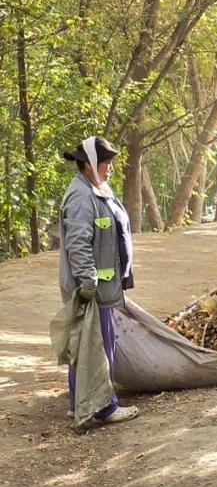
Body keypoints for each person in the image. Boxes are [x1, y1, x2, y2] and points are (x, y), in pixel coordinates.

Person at [58, 136, 140, 425]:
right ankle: (105, 407)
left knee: (86, 344)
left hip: (102, 287)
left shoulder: (96, 190)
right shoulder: (82, 197)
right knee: (99, 346)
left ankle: (77, 400)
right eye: (106, 163)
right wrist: (88, 281)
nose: (110, 169)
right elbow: (78, 243)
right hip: (93, 290)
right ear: (90, 164)